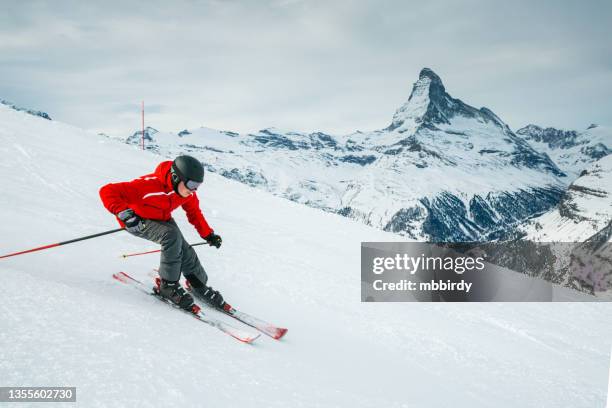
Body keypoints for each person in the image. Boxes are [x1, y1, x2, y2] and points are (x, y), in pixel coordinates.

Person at [99, 155, 225, 311]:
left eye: (197, 185)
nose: (194, 189)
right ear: (176, 177)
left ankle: (198, 284)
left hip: (162, 219)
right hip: (139, 221)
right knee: (171, 237)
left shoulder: (187, 193)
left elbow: (195, 214)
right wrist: (125, 214)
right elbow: (107, 191)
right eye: (191, 184)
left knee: (182, 246)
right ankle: (168, 286)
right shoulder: (147, 186)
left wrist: (208, 235)